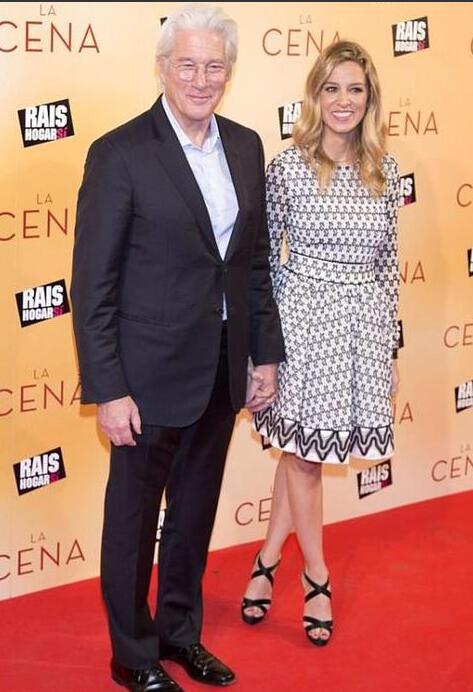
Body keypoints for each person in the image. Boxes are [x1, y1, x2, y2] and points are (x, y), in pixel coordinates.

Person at [71, 5, 284, 691]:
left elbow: (253, 264)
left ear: (229, 72)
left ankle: (179, 634)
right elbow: (93, 283)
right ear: (162, 68)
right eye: (186, 64)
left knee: (192, 514)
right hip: (144, 377)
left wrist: (264, 353)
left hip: (221, 368)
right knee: (133, 522)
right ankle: (132, 654)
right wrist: (108, 388)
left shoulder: (246, 146)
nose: (200, 78)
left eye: (213, 65)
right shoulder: (120, 153)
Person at [241, 40, 401, 647]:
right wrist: (263, 348)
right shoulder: (287, 168)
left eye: (355, 89)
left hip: (363, 331)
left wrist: (389, 348)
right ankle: (317, 577)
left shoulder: (386, 172)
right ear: (315, 96)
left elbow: (388, 266)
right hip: (302, 329)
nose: (343, 100)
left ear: (369, 98)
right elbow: (260, 262)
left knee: (298, 454)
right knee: (305, 456)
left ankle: (265, 561)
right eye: (332, 88)